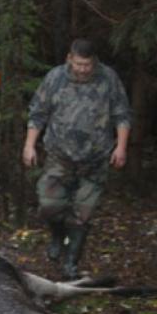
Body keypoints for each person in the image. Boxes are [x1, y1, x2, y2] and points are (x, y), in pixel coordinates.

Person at [22, 38, 131, 279]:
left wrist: (121, 147)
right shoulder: (55, 78)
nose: (83, 69)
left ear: (94, 62)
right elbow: (38, 113)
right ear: (69, 58)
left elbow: (122, 114)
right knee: (49, 205)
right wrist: (29, 145)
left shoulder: (108, 79)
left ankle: (71, 261)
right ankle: (57, 236)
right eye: (79, 64)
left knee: (83, 213)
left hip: (95, 159)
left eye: (87, 65)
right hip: (59, 157)